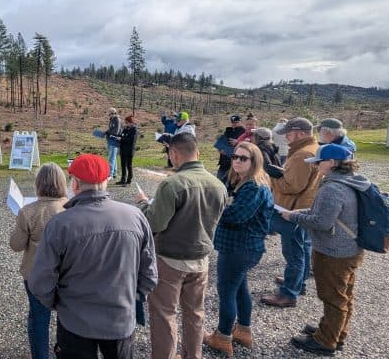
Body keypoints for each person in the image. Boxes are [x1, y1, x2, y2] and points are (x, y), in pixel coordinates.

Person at [30, 154, 158, 359]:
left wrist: (58, 304)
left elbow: (40, 280)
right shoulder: (135, 216)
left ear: (75, 184)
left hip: (74, 321)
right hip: (120, 319)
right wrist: (133, 297)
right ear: (106, 181)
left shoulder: (60, 224)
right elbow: (150, 274)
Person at [135, 133, 227, 359]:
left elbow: (155, 223)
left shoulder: (172, 184)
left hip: (170, 259)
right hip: (201, 258)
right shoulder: (218, 184)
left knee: (165, 314)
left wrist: (143, 204)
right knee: (195, 313)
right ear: (196, 151)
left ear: (174, 153)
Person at [280, 144, 366, 356]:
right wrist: (305, 211)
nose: (317, 166)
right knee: (344, 294)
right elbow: (330, 213)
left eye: (319, 162)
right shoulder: (352, 181)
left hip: (334, 251)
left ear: (333, 163)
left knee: (332, 296)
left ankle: (326, 341)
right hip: (351, 248)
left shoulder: (332, 188)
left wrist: (293, 216)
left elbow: (322, 222)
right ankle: (336, 332)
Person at [203, 142, 274, 356]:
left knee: (227, 293)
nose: (236, 161)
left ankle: (223, 337)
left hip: (239, 249)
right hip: (241, 248)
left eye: (243, 158)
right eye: (235, 157)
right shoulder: (246, 183)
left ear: (255, 162)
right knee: (240, 289)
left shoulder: (254, 186)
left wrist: (212, 206)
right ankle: (243, 330)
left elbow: (236, 216)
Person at [9, 163, 69, 359]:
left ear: (38, 184)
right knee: (67, 318)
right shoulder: (70, 208)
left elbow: (16, 245)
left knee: (38, 318)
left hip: (36, 274)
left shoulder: (28, 211)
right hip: (66, 273)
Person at [261, 117, 321, 308]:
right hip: (304, 206)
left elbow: (292, 186)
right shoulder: (313, 149)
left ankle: (289, 294)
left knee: (294, 253)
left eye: (289, 133)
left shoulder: (301, 154)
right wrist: (281, 171)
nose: (286, 137)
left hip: (292, 209)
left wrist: (271, 176)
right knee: (302, 247)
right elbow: (299, 180)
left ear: (301, 133)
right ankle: (298, 283)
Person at [215, 115, 246, 181]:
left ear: (241, 122)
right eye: (233, 122)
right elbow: (221, 143)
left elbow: (248, 145)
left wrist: (238, 142)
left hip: (235, 161)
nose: (234, 124)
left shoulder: (244, 132)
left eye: (236, 122)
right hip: (224, 161)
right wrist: (220, 149)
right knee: (219, 180)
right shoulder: (228, 131)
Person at [117, 115, 138, 185]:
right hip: (123, 149)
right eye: (125, 123)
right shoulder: (125, 129)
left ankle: (129, 180)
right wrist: (118, 138)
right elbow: (122, 135)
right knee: (123, 165)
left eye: (127, 122)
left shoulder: (134, 130)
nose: (126, 124)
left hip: (129, 151)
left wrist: (121, 139)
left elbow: (131, 140)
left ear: (131, 122)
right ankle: (123, 179)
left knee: (129, 165)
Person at [104, 108, 122, 179]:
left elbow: (116, 132)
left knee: (111, 157)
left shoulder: (117, 120)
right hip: (110, 140)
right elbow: (110, 129)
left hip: (114, 141)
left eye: (109, 113)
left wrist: (109, 134)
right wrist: (106, 132)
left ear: (112, 113)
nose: (108, 115)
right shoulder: (112, 120)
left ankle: (110, 174)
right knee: (113, 157)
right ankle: (114, 172)